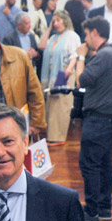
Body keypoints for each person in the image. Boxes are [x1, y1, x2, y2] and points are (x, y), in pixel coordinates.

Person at [67, 16, 112, 221]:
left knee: (89, 164)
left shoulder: (103, 55)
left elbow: (82, 79)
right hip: (108, 116)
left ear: (95, 33)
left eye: (87, 34)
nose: (85, 39)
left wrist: (80, 57)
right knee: (104, 163)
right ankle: (103, 208)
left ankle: (91, 213)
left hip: (99, 117)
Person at [39, 10, 80, 145]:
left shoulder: (71, 36)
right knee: (51, 105)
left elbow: (74, 55)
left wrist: (68, 70)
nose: (56, 23)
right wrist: (49, 28)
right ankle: (50, 134)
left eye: (58, 20)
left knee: (60, 105)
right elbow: (41, 46)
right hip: (51, 74)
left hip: (64, 72)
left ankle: (58, 137)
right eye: (54, 21)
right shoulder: (53, 38)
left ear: (65, 20)